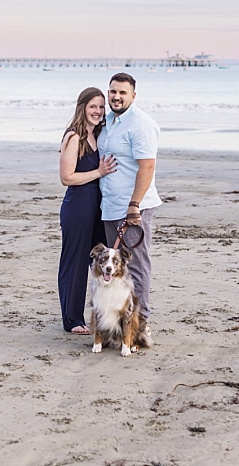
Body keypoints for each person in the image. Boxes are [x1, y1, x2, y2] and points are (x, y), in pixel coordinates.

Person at [98, 72, 161, 329]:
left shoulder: (140, 124)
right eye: (113, 91)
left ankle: (140, 323)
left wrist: (134, 205)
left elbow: (147, 167)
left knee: (136, 265)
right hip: (110, 206)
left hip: (134, 208)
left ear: (133, 96)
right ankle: (118, 322)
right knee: (115, 270)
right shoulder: (109, 120)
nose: (117, 96)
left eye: (123, 92)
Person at [58, 87, 117, 334]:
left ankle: (103, 316)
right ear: (82, 107)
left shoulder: (100, 134)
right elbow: (66, 177)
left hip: (98, 206)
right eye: (93, 106)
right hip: (78, 205)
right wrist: (99, 172)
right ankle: (72, 319)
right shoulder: (74, 137)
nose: (98, 111)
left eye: (101, 107)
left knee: (100, 260)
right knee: (74, 262)